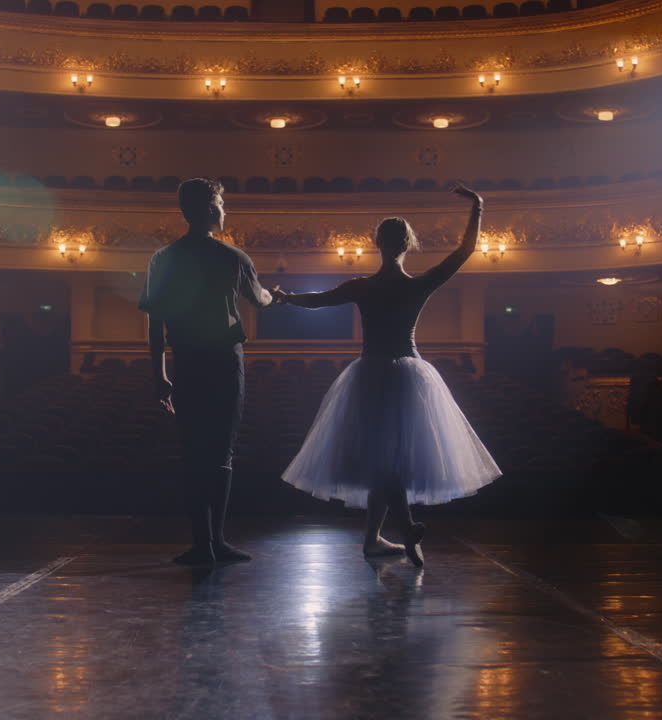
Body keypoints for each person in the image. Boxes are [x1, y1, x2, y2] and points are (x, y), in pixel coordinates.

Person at [272, 185, 501, 566]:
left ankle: (376, 538)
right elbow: (464, 252)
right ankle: (403, 527)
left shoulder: (363, 286)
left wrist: (284, 298)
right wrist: (478, 208)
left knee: (384, 461)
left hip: (371, 374)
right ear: (407, 245)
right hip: (408, 374)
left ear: (377, 243)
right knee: (390, 461)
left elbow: (316, 301)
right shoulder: (417, 285)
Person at [139, 177, 273, 566]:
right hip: (225, 362)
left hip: (187, 361)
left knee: (193, 453)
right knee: (222, 453)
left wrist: (158, 374)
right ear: (210, 209)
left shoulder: (164, 258)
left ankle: (204, 544)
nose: (224, 210)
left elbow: (155, 325)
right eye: (221, 204)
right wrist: (273, 294)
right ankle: (217, 540)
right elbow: (259, 300)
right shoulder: (234, 257)